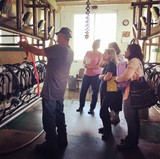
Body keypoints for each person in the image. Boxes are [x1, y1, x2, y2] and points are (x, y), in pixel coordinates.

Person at [18, 27, 74, 155]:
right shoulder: (70, 51)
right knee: (59, 114)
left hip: (51, 89)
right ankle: (62, 139)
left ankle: (50, 145)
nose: (57, 37)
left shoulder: (59, 48)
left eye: (58, 35)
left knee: (49, 118)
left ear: (62, 36)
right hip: (60, 89)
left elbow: (37, 51)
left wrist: (24, 44)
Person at [115, 43, 144, 150]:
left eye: (127, 49)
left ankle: (131, 143)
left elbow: (127, 76)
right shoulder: (137, 61)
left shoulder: (134, 61)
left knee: (130, 117)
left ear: (132, 51)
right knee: (134, 117)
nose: (125, 51)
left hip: (131, 93)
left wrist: (117, 78)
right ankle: (132, 139)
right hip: (133, 92)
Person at [76, 39, 103, 114]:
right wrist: (85, 65)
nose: (95, 46)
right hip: (87, 75)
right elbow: (84, 62)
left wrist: (89, 67)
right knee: (83, 91)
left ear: (98, 46)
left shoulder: (100, 54)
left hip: (96, 75)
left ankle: (92, 108)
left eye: (97, 44)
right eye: (94, 44)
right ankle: (81, 106)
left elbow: (99, 66)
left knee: (95, 92)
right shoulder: (88, 52)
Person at [99, 48, 119, 140]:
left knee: (103, 111)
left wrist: (101, 76)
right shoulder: (107, 64)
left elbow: (108, 77)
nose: (103, 55)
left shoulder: (111, 64)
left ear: (110, 55)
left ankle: (108, 132)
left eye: (105, 53)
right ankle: (106, 128)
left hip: (110, 92)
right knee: (104, 111)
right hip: (105, 91)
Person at [108, 42, 124, 124]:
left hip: (116, 81)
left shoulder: (119, 57)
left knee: (116, 99)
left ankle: (116, 116)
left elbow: (119, 68)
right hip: (111, 81)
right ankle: (113, 115)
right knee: (111, 99)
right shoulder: (111, 59)